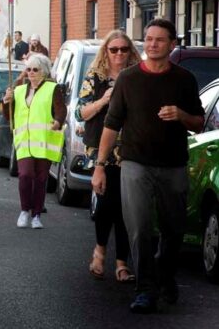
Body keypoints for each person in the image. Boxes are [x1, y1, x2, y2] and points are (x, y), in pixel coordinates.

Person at [93, 19, 204, 314]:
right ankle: (145, 289)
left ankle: (165, 275)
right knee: (140, 227)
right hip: (135, 163)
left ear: (172, 44)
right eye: (148, 39)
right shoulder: (129, 79)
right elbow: (111, 124)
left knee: (173, 228)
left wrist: (181, 114)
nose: (152, 44)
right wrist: (100, 166)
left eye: (159, 40)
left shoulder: (184, 79)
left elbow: (199, 121)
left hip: (173, 165)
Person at [77, 30, 141, 283]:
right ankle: (100, 250)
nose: (118, 54)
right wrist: (104, 100)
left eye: (123, 49)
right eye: (113, 50)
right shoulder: (96, 77)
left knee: (126, 208)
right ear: (106, 52)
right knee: (106, 203)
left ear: (130, 52)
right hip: (102, 149)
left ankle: (121, 263)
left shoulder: (136, 77)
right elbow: (82, 113)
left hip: (131, 148)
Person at [3, 54, 65, 230]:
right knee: (25, 175)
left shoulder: (53, 88)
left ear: (44, 71)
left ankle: (36, 215)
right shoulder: (19, 90)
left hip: (44, 142)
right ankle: (24, 210)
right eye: (28, 69)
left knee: (40, 178)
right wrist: (5, 102)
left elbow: (61, 110)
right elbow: (9, 116)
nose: (30, 73)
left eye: (35, 69)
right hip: (24, 141)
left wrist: (58, 122)